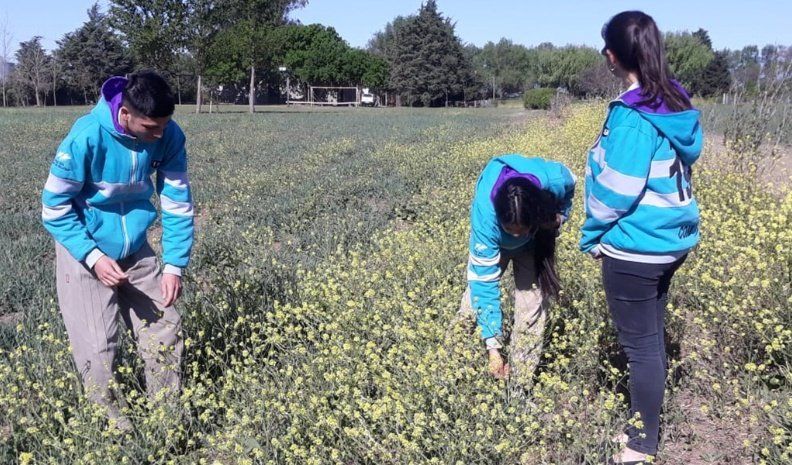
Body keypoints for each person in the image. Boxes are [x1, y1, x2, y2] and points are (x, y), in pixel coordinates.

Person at [579, 11, 703, 465]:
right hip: (673, 240)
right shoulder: (675, 103)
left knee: (641, 348)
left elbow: (615, 191)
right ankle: (643, 426)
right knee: (650, 336)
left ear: (613, 56)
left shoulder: (633, 116)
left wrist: (591, 234)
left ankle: (640, 445)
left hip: (639, 246)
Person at [41, 70, 194, 429]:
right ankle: (115, 431)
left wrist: (174, 265)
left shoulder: (168, 134)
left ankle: (166, 420)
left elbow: (176, 201)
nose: (159, 135)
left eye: (164, 126)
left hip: (136, 248)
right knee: (98, 348)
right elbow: (54, 208)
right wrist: (93, 258)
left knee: (165, 328)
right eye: (150, 127)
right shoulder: (86, 138)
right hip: (85, 246)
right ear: (124, 114)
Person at [460, 154, 575, 387]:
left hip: (533, 245)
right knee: (473, 304)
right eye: (509, 230)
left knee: (531, 307)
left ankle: (518, 385)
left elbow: (571, 183)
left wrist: (560, 217)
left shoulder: (553, 179)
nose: (515, 236)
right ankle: (456, 368)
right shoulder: (486, 216)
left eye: (521, 230)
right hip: (496, 247)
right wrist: (493, 348)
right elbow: (484, 283)